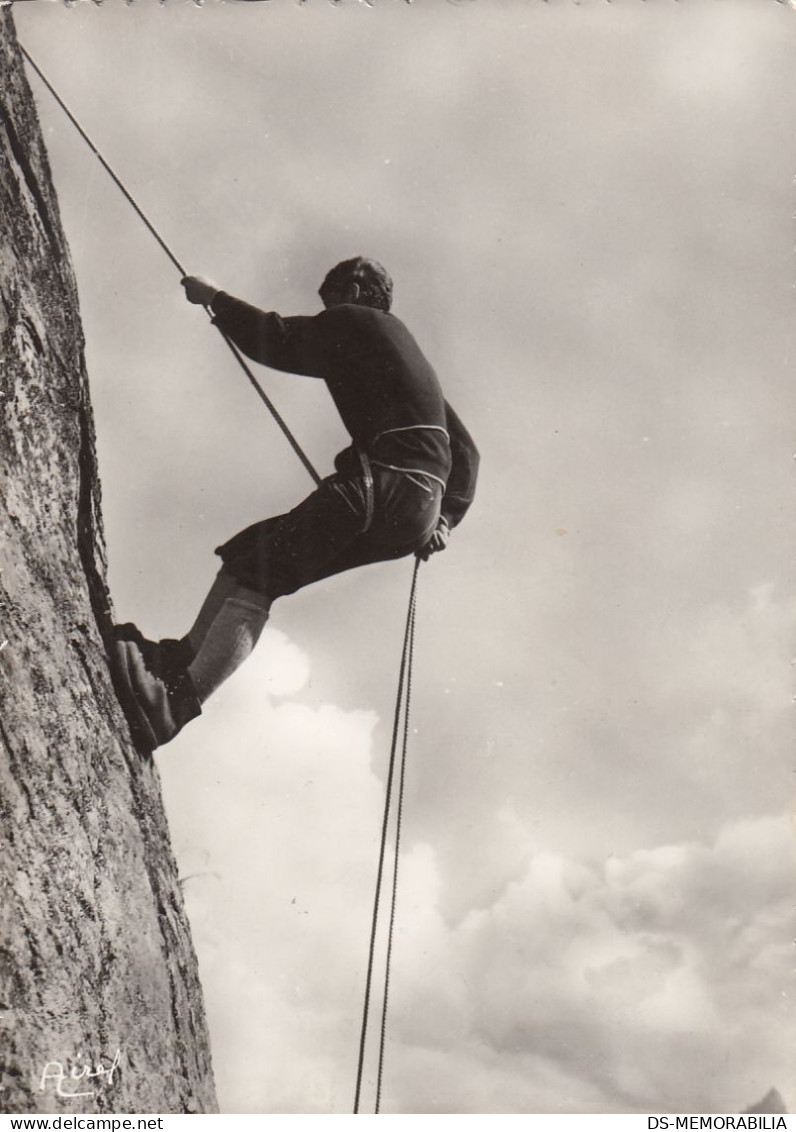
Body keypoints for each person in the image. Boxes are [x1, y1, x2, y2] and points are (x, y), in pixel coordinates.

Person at [111, 257, 479, 751]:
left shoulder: (357, 319)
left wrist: (214, 299)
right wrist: (446, 519)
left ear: (352, 289)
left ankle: (172, 706)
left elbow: (279, 338)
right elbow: (466, 451)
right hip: (414, 508)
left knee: (264, 570)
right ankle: (182, 662)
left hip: (382, 485)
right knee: (253, 552)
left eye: (327, 301)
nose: (325, 313)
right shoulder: (413, 363)